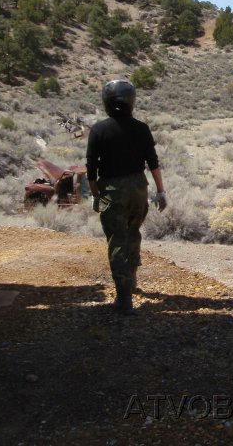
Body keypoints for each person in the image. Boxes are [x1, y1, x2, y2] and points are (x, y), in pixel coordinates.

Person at [86, 79, 167, 315]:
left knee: (117, 240)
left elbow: (91, 168)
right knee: (133, 232)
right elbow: (153, 163)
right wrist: (160, 191)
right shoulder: (141, 128)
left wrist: (94, 195)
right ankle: (132, 281)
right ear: (131, 102)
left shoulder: (99, 130)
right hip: (138, 188)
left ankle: (124, 299)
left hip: (112, 191)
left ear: (107, 103)